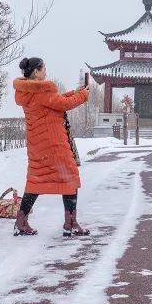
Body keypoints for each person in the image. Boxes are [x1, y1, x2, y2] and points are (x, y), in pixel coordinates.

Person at [12, 56, 91, 236]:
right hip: (53, 143)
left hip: (37, 145)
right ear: (36, 72)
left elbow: (53, 101)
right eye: (43, 69)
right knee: (69, 177)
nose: (46, 72)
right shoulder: (43, 89)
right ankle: (70, 224)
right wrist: (83, 95)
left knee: (36, 180)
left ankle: (21, 222)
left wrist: (73, 92)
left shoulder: (26, 91)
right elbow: (63, 104)